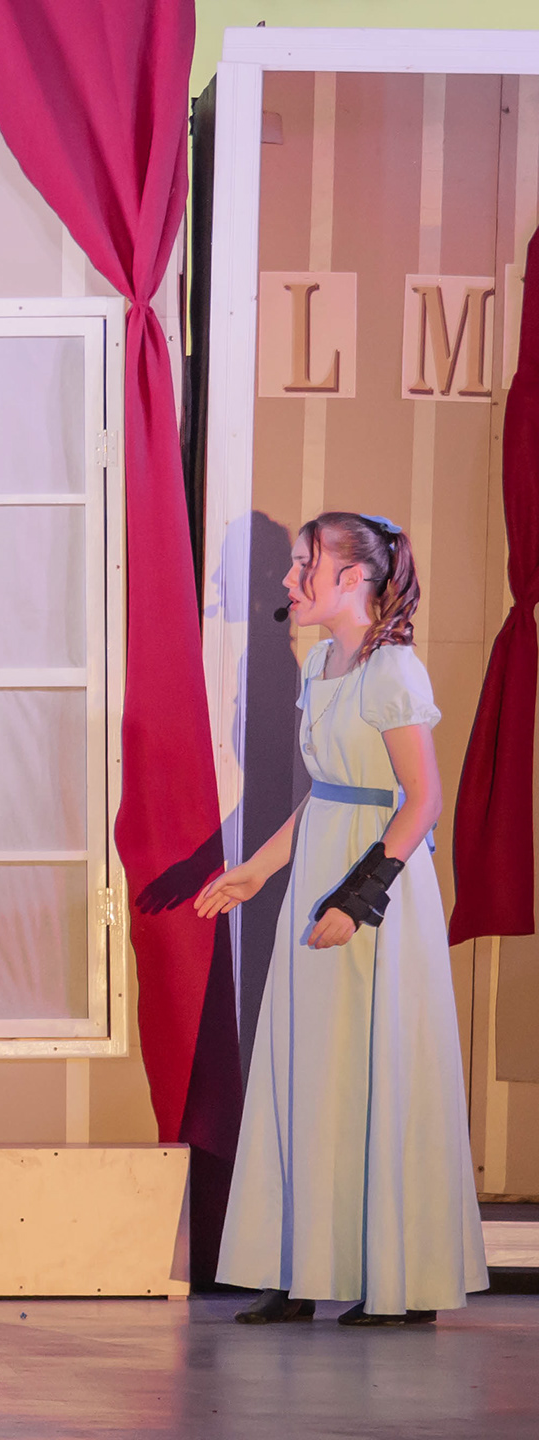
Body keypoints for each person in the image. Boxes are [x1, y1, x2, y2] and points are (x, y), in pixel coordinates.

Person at [196, 512, 486, 1325]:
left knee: (375, 1066)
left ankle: (398, 1283)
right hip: (319, 876)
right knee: (312, 1068)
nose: (290, 582)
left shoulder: (394, 671)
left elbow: (422, 800)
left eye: (304, 566)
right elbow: (327, 793)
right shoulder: (320, 662)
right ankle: (302, 1267)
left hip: (376, 895)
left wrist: (359, 902)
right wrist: (259, 869)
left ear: (353, 577)